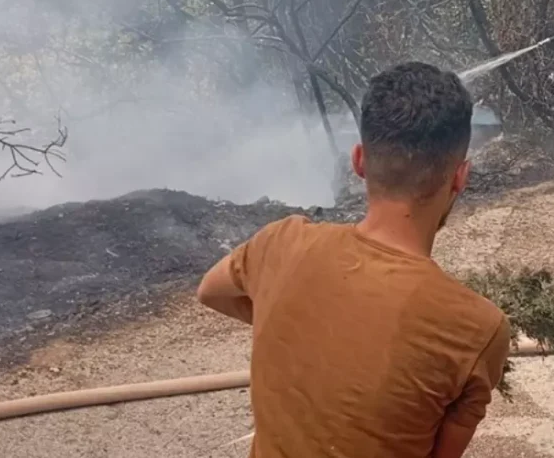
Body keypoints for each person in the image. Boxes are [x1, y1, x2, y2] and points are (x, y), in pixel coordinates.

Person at [197, 62, 511, 458]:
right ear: (460, 177)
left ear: (359, 161)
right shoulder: (478, 330)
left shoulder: (280, 243)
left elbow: (210, 290)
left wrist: (298, 320)